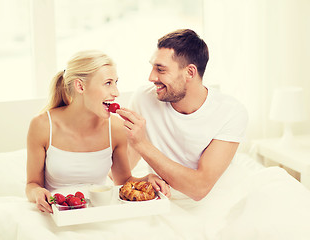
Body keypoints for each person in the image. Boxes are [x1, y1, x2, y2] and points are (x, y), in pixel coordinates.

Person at [26, 50, 169, 213]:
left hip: (98, 212)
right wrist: (37, 193)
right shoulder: (42, 125)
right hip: (57, 213)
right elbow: (32, 184)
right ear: (80, 86)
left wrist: (146, 180)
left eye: (116, 82)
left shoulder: (115, 128)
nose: (116, 92)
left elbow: (123, 181)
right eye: (108, 83)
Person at [117, 29, 248, 201]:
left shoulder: (231, 112)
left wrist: (142, 144)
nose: (151, 77)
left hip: (217, 202)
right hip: (161, 200)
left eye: (161, 70)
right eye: (152, 67)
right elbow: (122, 171)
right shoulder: (144, 99)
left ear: (190, 72)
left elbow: (199, 188)